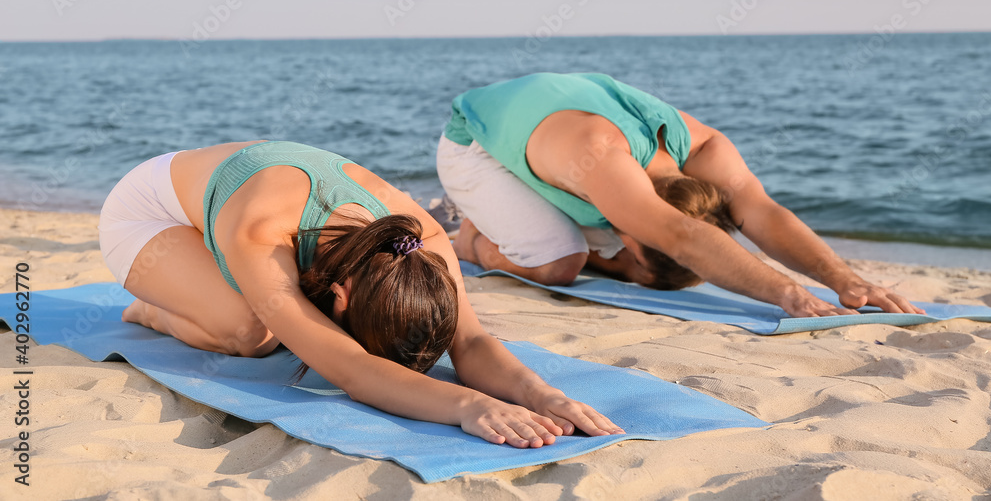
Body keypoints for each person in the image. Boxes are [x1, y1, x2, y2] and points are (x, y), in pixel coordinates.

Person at [98, 140, 623, 447]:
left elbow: (470, 342)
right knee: (251, 333)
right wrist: (468, 405)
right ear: (343, 295)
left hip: (225, 202)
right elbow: (352, 370)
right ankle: (154, 308)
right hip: (145, 218)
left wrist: (542, 395)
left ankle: (200, 286)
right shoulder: (261, 233)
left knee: (280, 327)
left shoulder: (423, 242)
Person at [437, 72, 924, 318]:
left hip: (546, 125)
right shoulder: (601, 156)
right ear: (629, 235)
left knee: (605, 251)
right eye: (633, 259)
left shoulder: (704, 147)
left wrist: (844, 279)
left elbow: (763, 211)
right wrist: (791, 295)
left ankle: (505, 214)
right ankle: (469, 239)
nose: (627, 258)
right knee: (558, 264)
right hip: (475, 145)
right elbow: (682, 237)